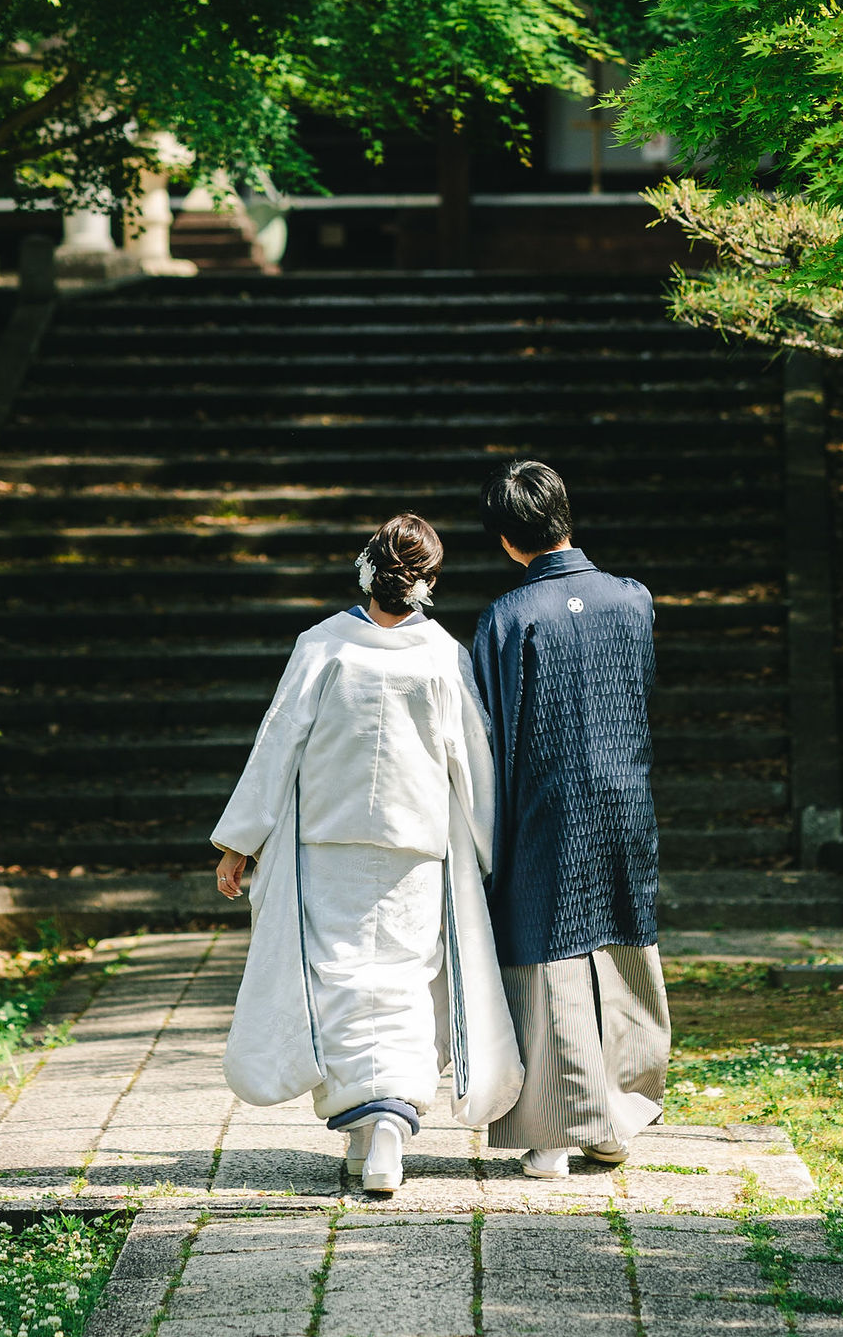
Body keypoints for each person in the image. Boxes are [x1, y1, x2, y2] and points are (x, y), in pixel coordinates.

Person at [211, 511, 523, 1196]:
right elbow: (472, 762)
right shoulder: (442, 654)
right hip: (414, 847)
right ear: (428, 583)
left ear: (367, 569)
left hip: (329, 842)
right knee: (406, 980)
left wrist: (240, 841)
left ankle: (367, 1126)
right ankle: (383, 1128)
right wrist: (492, 848)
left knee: (344, 981)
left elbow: (278, 743)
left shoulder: (324, 645)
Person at [470, 457, 670, 1180]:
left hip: (544, 802)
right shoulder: (631, 599)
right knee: (621, 940)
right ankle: (619, 1117)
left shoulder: (506, 618)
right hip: (623, 798)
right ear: (565, 516)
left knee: (548, 954)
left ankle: (553, 1133)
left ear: (506, 540)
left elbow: (488, 733)